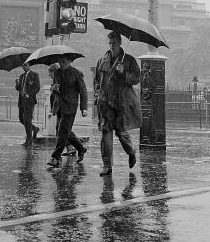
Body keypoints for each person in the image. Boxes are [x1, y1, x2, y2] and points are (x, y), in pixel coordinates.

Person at [94, 31, 142, 177]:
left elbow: (136, 78)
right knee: (106, 134)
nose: (111, 46)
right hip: (105, 103)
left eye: (114, 43)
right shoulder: (102, 60)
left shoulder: (129, 60)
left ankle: (131, 152)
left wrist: (124, 73)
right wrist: (97, 94)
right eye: (109, 43)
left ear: (120, 43)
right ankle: (107, 165)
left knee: (121, 133)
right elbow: (97, 80)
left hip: (121, 103)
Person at [46, 55, 88, 167]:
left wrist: (84, 108)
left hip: (70, 107)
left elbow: (83, 90)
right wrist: (53, 88)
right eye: (60, 61)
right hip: (59, 106)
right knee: (65, 131)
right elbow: (53, 89)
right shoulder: (57, 72)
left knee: (62, 132)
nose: (61, 63)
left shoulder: (76, 73)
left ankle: (55, 157)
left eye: (64, 61)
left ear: (70, 61)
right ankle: (81, 148)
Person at [15, 62, 40, 147]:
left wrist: (29, 94)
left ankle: (29, 141)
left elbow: (37, 87)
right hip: (21, 101)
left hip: (29, 101)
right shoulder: (21, 76)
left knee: (27, 120)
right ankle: (35, 129)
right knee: (21, 119)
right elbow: (19, 88)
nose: (24, 67)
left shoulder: (34, 75)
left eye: (26, 65)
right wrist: (17, 84)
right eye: (23, 65)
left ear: (29, 65)